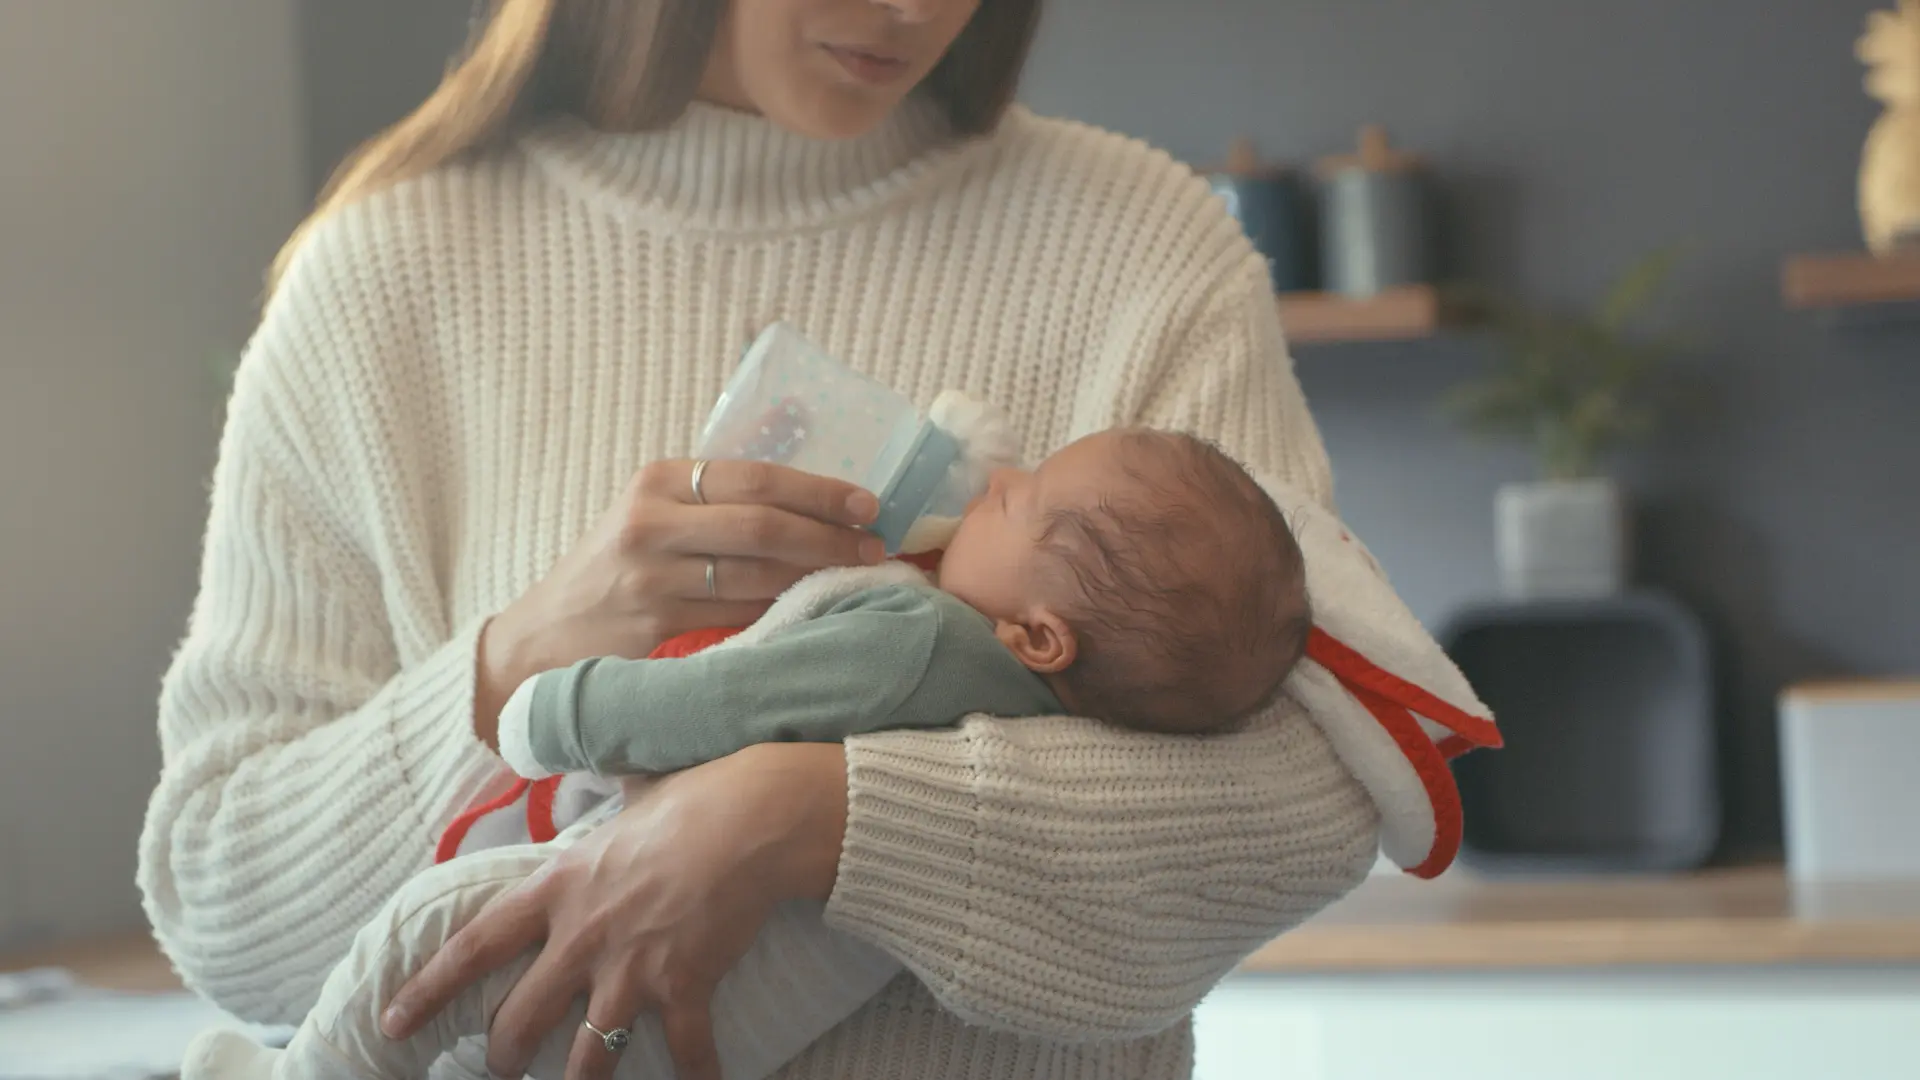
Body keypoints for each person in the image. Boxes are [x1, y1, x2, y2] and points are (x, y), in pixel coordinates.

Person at [138, 1, 1391, 1079]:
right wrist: (521, 654)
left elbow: (1312, 796)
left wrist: (816, 817)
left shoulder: (1142, 248)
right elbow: (224, 904)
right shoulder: (383, 278)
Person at [181, 427, 1315, 1080]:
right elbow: (215, 882)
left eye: (1020, 498)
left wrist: (545, 704)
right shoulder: (1057, 714)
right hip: (756, 1020)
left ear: (1037, 633)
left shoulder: (916, 632)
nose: (996, 477)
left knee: (427, 941)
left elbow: (718, 702)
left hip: (635, 931)